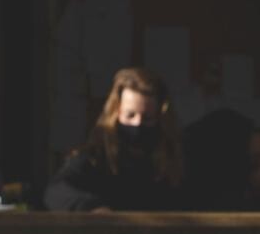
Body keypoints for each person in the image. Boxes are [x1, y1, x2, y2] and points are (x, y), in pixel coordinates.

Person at [44, 67, 184, 211]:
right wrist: (94, 208)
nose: (137, 124)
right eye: (130, 115)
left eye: (147, 118)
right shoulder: (95, 156)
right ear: (116, 112)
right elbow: (57, 191)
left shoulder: (175, 159)